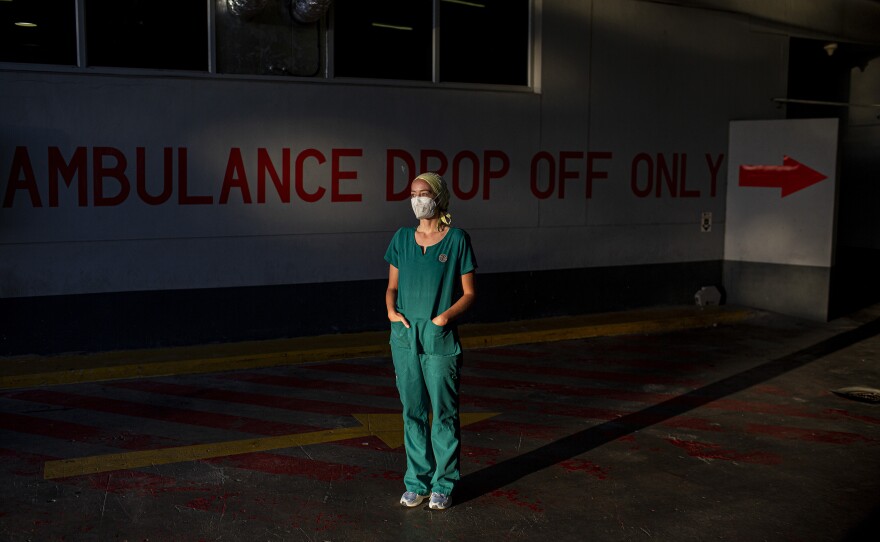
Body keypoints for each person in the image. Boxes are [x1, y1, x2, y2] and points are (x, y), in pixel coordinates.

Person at [384, 172, 477, 510]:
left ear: (439, 198)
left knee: (445, 413)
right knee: (413, 411)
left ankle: (444, 483)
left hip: (439, 338)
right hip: (405, 336)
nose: (417, 199)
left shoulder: (457, 240)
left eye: (424, 193)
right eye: (412, 193)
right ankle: (417, 482)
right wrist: (392, 311)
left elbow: (469, 294)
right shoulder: (401, 238)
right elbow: (391, 287)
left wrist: (444, 318)